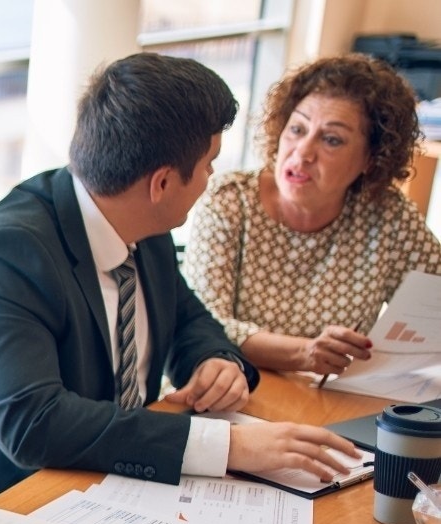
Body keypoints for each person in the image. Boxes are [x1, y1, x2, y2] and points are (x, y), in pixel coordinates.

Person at [0, 53, 360, 524]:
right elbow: (34, 424)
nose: (211, 180)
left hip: (94, 486)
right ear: (162, 182)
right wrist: (230, 446)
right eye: (209, 165)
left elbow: (187, 318)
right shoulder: (3, 255)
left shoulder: (143, 222)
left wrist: (214, 360)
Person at [185, 54, 441, 376]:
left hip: (333, 397)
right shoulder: (230, 202)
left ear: (372, 158)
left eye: (331, 139)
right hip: (233, 389)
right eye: (297, 129)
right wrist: (303, 353)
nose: (303, 152)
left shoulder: (386, 215)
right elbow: (203, 327)